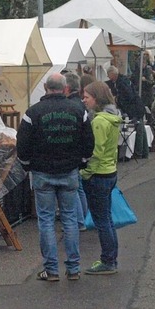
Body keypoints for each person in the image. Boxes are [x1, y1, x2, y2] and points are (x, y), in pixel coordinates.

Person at [16, 73, 94, 282]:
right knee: (70, 219)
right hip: (69, 170)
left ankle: (51, 269)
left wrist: (27, 165)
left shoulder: (33, 113)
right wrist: (82, 161)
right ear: (65, 88)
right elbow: (88, 141)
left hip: (42, 172)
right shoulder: (79, 111)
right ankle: (74, 268)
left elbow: (22, 145)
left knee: (47, 220)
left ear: (45, 87)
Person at [80, 82, 123, 275]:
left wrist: (84, 173)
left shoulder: (98, 122)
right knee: (106, 219)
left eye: (87, 96)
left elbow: (94, 153)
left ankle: (108, 260)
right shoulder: (112, 118)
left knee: (102, 220)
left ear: (96, 98)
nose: (84, 100)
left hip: (98, 174)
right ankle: (110, 257)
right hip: (109, 171)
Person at [64, 71, 89, 232]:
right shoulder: (80, 104)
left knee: (75, 189)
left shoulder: (71, 106)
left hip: (73, 153)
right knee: (79, 189)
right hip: (80, 154)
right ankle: (84, 219)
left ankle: (80, 221)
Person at [106, 66, 148, 158]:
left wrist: (117, 98)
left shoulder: (121, 82)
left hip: (134, 108)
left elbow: (128, 95)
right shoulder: (123, 80)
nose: (108, 77)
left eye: (108, 75)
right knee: (141, 129)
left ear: (112, 74)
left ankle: (139, 153)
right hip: (137, 106)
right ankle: (144, 152)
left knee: (139, 129)